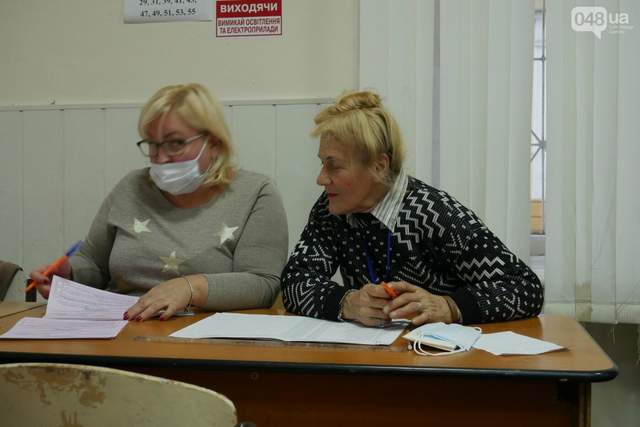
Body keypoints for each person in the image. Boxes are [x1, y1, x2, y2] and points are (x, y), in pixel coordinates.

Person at [281, 90, 543, 327]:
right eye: (322, 164)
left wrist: (450, 306)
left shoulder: (435, 214)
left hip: (443, 357)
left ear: (379, 166)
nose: (321, 179)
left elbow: (525, 287)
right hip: (372, 355)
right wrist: (347, 303)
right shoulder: (330, 209)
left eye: (334, 166)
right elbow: (295, 281)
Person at [30, 83, 288, 321]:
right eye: (153, 144)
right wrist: (68, 275)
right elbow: (93, 263)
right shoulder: (132, 187)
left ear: (214, 143)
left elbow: (263, 284)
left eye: (175, 143)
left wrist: (190, 288)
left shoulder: (255, 193)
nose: (161, 158)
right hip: (119, 329)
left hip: (203, 338)